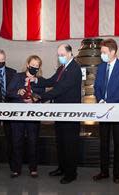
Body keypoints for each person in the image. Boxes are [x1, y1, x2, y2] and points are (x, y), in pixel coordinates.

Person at [29, 44, 82, 184]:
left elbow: (60, 89)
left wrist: (41, 97)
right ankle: (62, 168)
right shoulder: (61, 68)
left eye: (62, 55)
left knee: (70, 144)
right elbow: (51, 81)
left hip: (70, 113)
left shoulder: (75, 69)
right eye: (58, 55)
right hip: (59, 112)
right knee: (61, 142)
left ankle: (71, 173)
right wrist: (36, 80)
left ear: (70, 53)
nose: (60, 57)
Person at [93, 39, 119, 183]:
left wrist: (108, 102)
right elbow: (97, 86)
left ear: (113, 52)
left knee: (118, 143)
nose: (101, 55)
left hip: (118, 109)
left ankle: (116, 173)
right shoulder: (101, 67)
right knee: (104, 143)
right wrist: (101, 99)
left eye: (103, 52)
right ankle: (103, 172)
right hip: (103, 110)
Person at [6, 55, 45, 178]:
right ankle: (16, 169)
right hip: (17, 115)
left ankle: (33, 168)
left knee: (33, 142)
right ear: (27, 64)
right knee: (17, 142)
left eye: (36, 66)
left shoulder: (40, 79)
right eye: (32, 65)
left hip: (33, 116)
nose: (34, 68)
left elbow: (42, 95)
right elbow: (8, 92)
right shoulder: (17, 76)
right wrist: (18, 92)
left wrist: (34, 99)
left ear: (39, 68)